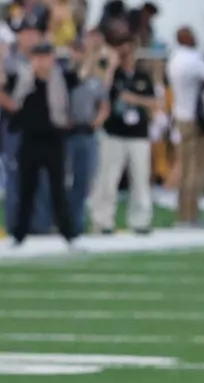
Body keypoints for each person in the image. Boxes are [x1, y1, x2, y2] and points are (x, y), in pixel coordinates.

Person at [2, 42, 76, 247]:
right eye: (37, 57)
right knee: (26, 188)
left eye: (45, 57)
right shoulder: (24, 79)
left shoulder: (61, 79)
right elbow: (13, 102)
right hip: (30, 140)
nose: (41, 62)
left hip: (54, 139)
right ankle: (19, 234)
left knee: (58, 189)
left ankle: (68, 234)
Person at [91, 29, 159, 235]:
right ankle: (103, 220)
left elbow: (156, 103)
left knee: (140, 177)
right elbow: (102, 92)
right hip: (114, 132)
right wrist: (111, 67)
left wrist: (135, 99)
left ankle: (140, 219)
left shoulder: (143, 75)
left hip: (138, 133)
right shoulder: (111, 73)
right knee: (108, 178)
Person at [167, 26, 204, 226]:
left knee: (185, 167)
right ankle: (191, 214)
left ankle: (183, 214)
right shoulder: (193, 59)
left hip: (180, 116)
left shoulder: (174, 59)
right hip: (196, 120)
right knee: (196, 170)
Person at [66, 38, 113, 237]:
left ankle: (77, 222)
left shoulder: (95, 80)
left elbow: (104, 103)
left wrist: (100, 118)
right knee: (65, 180)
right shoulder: (65, 75)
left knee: (85, 181)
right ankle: (64, 222)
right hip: (68, 133)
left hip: (89, 132)